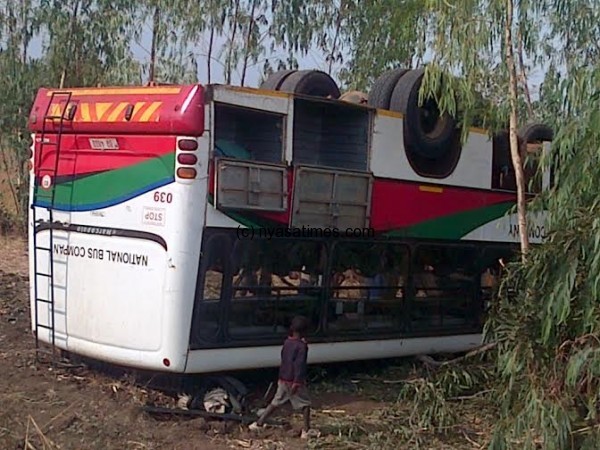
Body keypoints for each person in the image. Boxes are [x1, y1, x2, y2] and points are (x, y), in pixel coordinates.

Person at [248, 316, 320, 439]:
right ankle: (306, 431)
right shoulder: (301, 346)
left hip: (283, 379)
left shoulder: (287, 342)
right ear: (305, 331)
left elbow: (284, 360)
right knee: (305, 404)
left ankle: (258, 423)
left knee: (275, 402)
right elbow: (299, 365)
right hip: (294, 381)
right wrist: (297, 382)